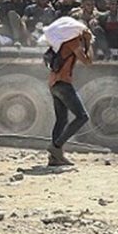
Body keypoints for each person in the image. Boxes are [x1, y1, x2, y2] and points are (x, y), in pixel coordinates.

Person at [47, 27, 93, 166]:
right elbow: (88, 61)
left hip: (54, 83)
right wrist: (88, 42)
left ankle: (55, 158)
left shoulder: (62, 42)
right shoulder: (73, 42)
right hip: (63, 83)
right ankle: (56, 147)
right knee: (82, 117)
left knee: (61, 120)